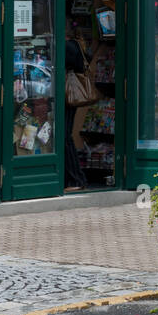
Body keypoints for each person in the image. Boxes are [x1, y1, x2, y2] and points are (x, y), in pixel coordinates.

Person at [63, 20, 93, 191]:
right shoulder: (76, 44)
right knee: (66, 136)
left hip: (68, 97)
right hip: (69, 97)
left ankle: (76, 179)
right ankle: (73, 179)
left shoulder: (67, 47)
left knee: (65, 136)